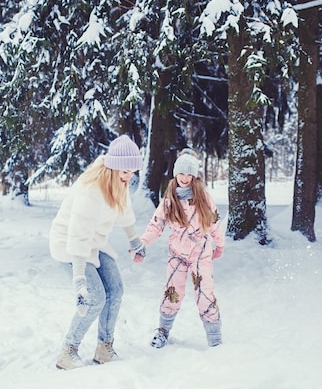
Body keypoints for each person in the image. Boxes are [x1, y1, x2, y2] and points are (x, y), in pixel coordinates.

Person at [49, 134, 146, 370]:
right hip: (69, 245)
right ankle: (68, 351)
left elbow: (124, 213)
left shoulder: (119, 182)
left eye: (133, 171)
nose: (129, 176)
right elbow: (78, 234)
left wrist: (135, 242)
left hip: (95, 243)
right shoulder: (90, 189)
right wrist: (79, 279)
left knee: (116, 290)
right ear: (113, 167)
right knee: (95, 298)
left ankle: (104, 348)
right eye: (126, 171)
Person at [131, 149, 225, 348]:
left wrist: (220, 245)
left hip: (200, 252)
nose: (184, 178)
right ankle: (163, 330)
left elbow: (215, 222)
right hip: (177, 253)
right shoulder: (169, 199)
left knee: (205, 293)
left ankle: (215, 337)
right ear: (175, 174)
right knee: (172, 292)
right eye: (181, 173)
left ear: (194, 175)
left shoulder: (203, 198)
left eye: (189, 174)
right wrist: (142, 243)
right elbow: (156, 225)